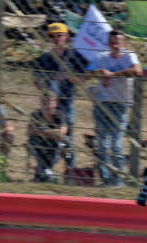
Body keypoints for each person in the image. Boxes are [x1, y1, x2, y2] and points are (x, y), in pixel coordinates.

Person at [87, 28, 140, 187]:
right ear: (108, 43)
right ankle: (105, 179)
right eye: (112, 42)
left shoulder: (130, 56)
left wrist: (112, 75)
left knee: (116, 144)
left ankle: (117, 180)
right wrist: (100, 73)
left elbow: (137, 71)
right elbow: (87, 73)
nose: (115, 45)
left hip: (120, 105)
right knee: (102, 143)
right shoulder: (101, 57)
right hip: (102, 103)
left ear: (124, 43)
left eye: (118, 42)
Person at [33, 22, 88, 167]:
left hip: (66, 102)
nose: (56, 39)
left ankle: (70, 170)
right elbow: (35, 80)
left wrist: (69, 77)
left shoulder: (74, 56)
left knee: (67, 139)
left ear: (66, 37)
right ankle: (43, 169)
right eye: (52, 36)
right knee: (45, 138)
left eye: (60, 35)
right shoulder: (45, 58)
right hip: (48, 107)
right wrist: (47, 84)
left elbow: (83, 79)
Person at [27, 91, 66, 182]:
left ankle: (41, 173)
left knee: (64, 149)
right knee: (34, 141)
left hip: (54, 144)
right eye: (44, 103)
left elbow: (62, 133)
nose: (47, 106)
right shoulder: (36, 114)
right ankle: (46, 173)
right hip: (39, 144)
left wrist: (42, 131)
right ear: (41, 104)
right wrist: (52, 133)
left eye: (50, 103)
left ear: (55, 104)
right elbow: (29, 132)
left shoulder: (59, 115)